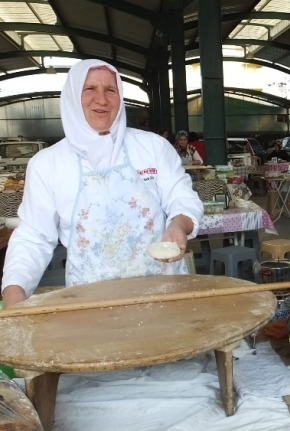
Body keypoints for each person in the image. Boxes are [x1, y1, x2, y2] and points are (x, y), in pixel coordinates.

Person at [1, 59, 204, 307]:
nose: (102, 99)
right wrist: (14, 294)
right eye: (90, 89)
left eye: (111, 90)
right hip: (90, 305)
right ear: (73, 96)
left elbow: (182, 198)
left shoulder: (152, 147)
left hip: (164, 294)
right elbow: (34, 237)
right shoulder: (47, 164)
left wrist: (179, 225)